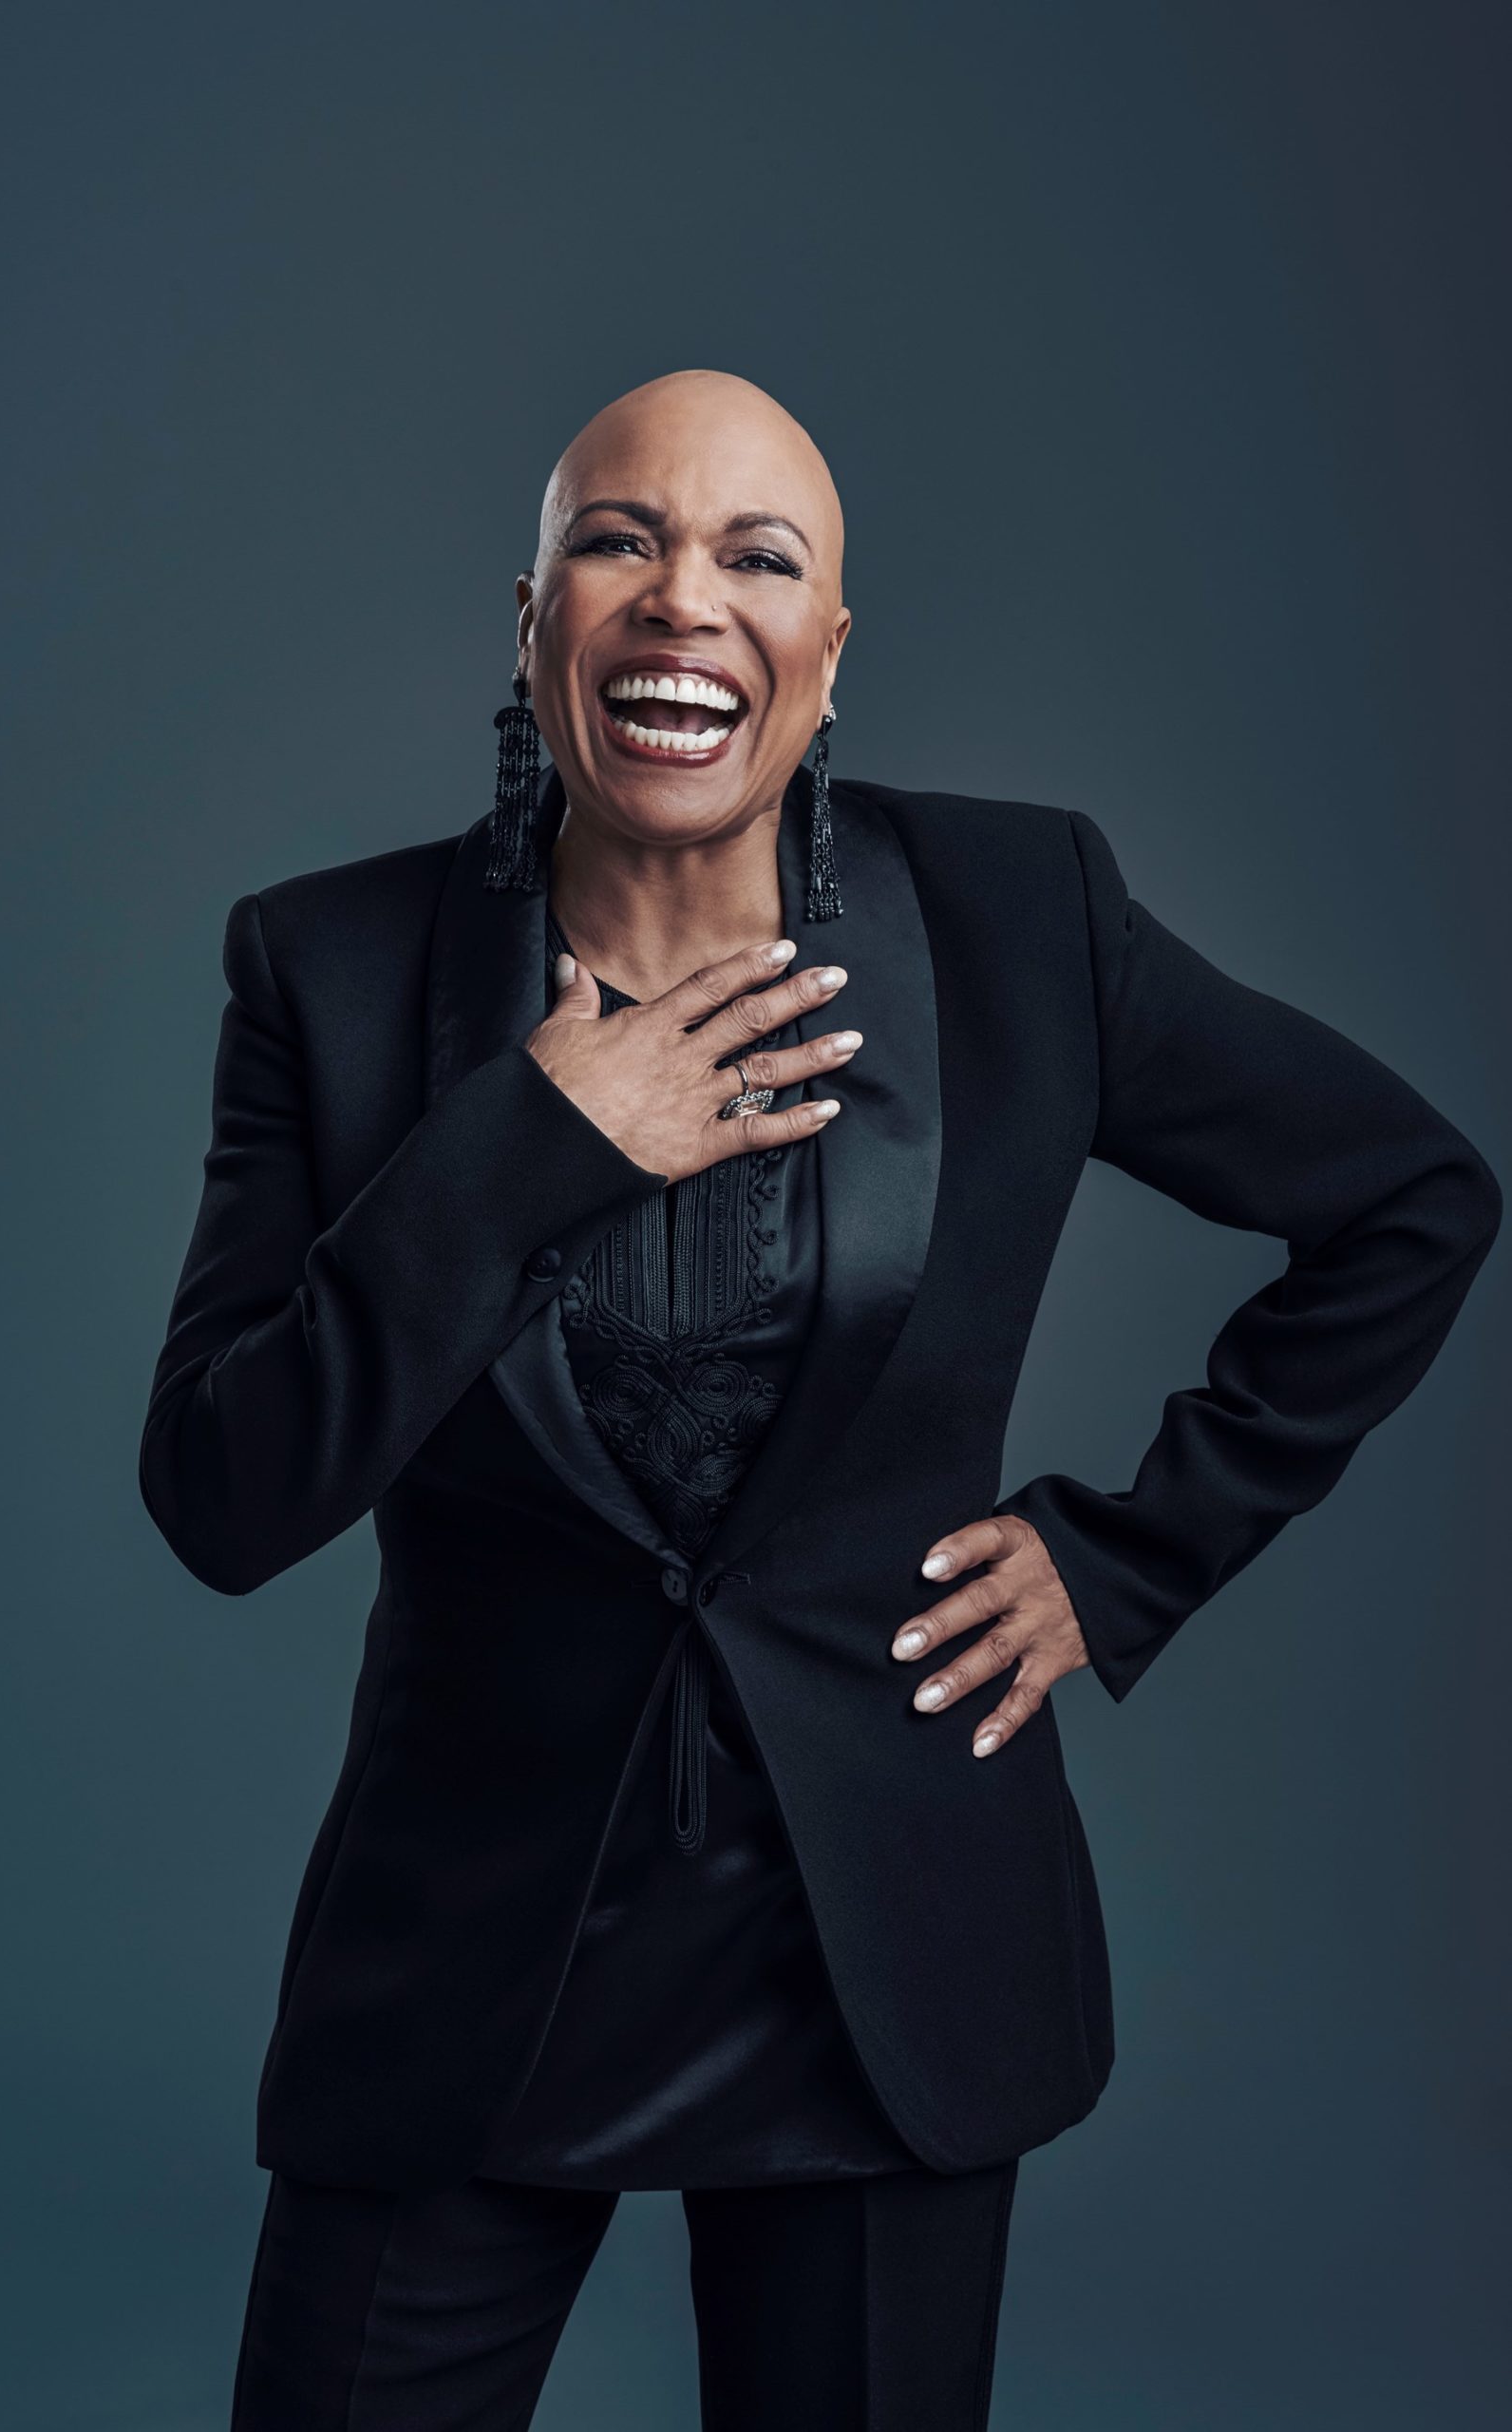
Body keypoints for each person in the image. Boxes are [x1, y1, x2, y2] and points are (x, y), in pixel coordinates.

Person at [140, 369, 1502, 2430]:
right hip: (466, 1960)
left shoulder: (1022, 922)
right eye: (619, 540)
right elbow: (221, 1495)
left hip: (883, 1952)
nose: (683, 599)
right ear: (533, 617)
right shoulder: (325, 971)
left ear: (829, 647)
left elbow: (1409, 1198)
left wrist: (1125, 1559)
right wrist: (520, 1148)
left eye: (756, 557)